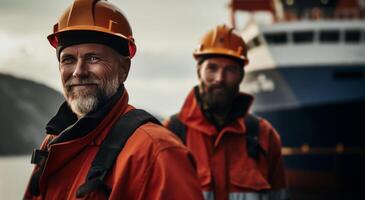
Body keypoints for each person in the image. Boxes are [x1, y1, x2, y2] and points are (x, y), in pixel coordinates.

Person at [23, 0, 204, 199]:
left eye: (93, 58)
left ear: (123, 69)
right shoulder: (53, 145)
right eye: (68, 59)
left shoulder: (156, 152)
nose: (78, 72)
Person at [164, 24, 289, 200]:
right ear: (199, 72)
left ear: (241, 76)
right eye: (212, 68)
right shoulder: (170, 133)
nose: (219, 79)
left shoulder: (264, 135)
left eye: (230, 70)